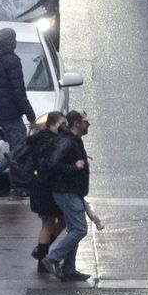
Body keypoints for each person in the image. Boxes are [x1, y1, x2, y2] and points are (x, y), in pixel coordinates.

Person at [0, 27, 37, 199]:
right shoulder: (12, 61)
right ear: (10, 41)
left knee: (15, 150)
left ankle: (16, 189)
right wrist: (31, 116)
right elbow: (19, 92)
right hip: (11, 114)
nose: (16, 42)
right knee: (21, 149)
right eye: (14, 39)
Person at [40, 110, 94, 282]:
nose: (88, 124)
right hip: (67, 192)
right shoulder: (68, 142)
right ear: (77, 123)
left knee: (73, 229)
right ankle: (52, 258)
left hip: (72, 191)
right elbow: (53, 164)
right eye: (85, 121)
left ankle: (68, 269)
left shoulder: (73, 140)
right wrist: (75, 167)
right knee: (79, 229)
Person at [27, 111, 67, 273]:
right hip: (45, 187)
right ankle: (42, 257)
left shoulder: (41, 138)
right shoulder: (47, 141)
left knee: (55, 222)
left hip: (40, 186)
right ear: (50, 125)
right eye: (61, 125)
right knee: (49, 223)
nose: (64, 128)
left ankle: (42, 253)